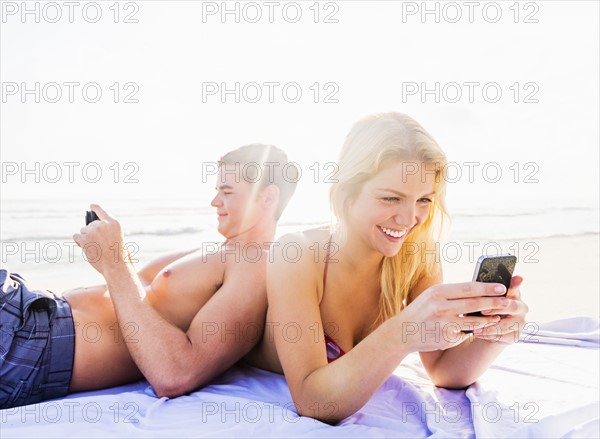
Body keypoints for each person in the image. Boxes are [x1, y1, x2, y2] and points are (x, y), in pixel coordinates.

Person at [244, 113, 529, 423]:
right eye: (391, 198)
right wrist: (401, 332)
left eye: (423, 200)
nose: (409, 219)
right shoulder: (297, 254)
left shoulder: (416, 257)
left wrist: (493, 335)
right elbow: (313, 402)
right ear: (347, 192)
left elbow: (443, 370)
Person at [0, 143, 298, 409]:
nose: (215, 201)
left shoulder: (255, 264)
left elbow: (175, 374)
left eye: (227, 192)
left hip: (34, 344)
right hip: (28, 313)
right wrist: (112, 256)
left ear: (268, 198)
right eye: (217, 190)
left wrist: (115, 263)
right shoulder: (222, 251)